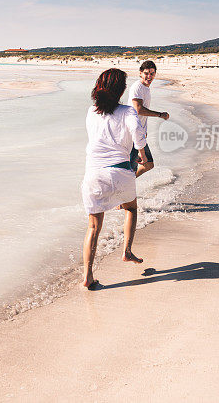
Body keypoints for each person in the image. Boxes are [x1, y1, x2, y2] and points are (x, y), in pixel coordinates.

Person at [81, 68, 148, 289]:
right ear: (121, 90)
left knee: (93, 227)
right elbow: (137, 131)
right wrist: (141, 152)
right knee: (130, 209)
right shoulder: (128, 111)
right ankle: (127, 251)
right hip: (120, 172)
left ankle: (87, 276)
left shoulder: (92, 111)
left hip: (93, 175)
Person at [127, 60, 169, 177]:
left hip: (140, 133)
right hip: (132, 133)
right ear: (140, 73)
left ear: (155, 74)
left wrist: (144, 131)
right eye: (146, 73)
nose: (149, 76)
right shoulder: (138, 87)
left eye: (152, 73)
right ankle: (125, 189)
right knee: (130, 170)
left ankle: (127, 185)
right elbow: (139, 109)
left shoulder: (145, 88)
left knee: (148, 164)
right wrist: (160, 115)